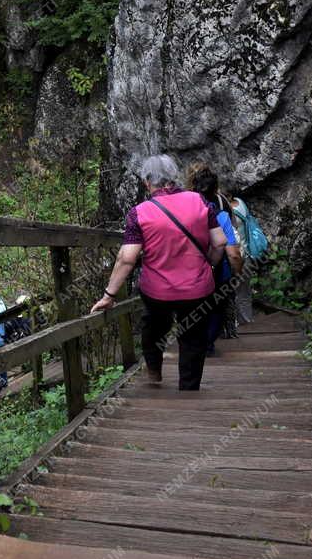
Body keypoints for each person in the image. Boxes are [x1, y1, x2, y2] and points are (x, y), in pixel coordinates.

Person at [90, 154, 226, 392]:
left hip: (158, 291)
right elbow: (220, 243)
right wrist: (210, 266)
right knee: (193, 338)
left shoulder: (139, 213)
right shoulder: (201, 202)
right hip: (197, 288)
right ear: (174, 177)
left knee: (154, 327)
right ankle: (189, 389)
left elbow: (127, 258)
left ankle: (154, 371)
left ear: (146, 182)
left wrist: (108, 295)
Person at [186, 164, 244, 354]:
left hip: (188, 270)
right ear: (215, 189)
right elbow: (233, 253)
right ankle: (208, 344)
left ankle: (192, 342)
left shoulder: (184, 212)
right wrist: (237, 272)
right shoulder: (222, 216)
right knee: (215, 307)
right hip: (217, 272)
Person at [229, 193, 256, 327]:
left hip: (235, 255)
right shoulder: (241, 202)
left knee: (232, 291)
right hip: (247, 253)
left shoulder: (227, 211)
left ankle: (234, 323)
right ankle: (247, 320)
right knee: (244, 291)